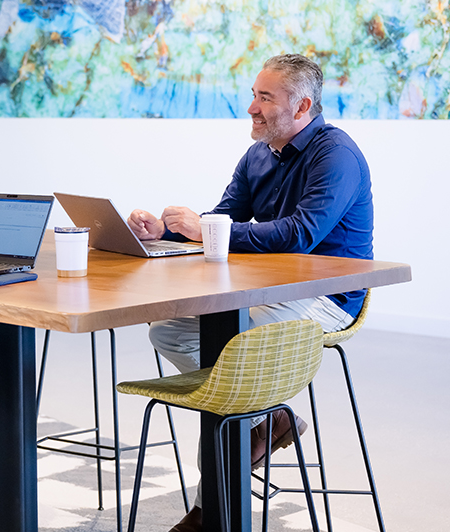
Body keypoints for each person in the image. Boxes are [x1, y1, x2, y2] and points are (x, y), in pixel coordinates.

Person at [127, 53, 373, 532]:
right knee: (168, 330)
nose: (251, 108)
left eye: (265, 98)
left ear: (302, 106)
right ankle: (267, 421)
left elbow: (300, 233)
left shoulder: (336, 155)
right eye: (253, 95)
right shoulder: (258, 153)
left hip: (329, 296)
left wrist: (205, 230)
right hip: (268, 292)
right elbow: (225, 217)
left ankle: (208, 510)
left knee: (231, 354)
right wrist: (168, 231)